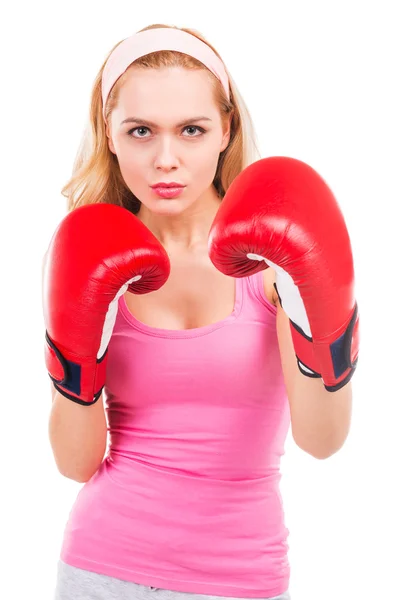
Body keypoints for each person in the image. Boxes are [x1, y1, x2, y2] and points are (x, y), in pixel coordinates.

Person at [43, 23, 358, 600]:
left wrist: (325, 319)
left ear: (225, 130)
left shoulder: (271, 256)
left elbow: (323, 439)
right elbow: (75, 462)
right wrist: (75, 358)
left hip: (239, 577)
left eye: (191, 130)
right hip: (99, 567)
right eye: (141, 131)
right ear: (109, 135)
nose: (167, 159)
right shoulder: (91, 253)